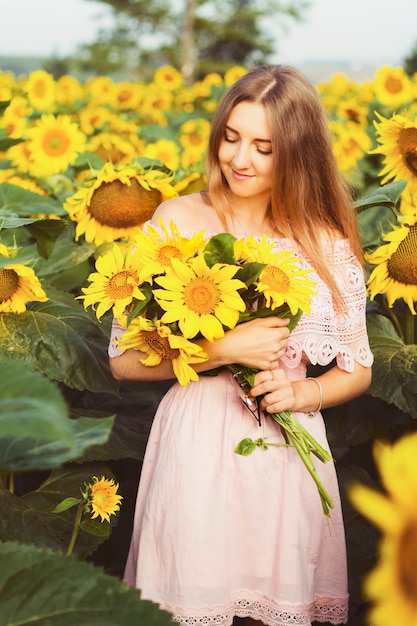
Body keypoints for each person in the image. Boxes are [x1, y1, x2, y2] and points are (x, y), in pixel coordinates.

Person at [109, 64, 373, 626]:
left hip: (285, 449)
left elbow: (358, 368)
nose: (239, 159)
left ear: (298, 155)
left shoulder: (325, 241)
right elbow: (124, 362)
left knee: (274, 607)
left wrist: (301, 393)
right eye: (230, 137)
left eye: (263, 147)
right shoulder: (176, 220)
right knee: (190, 600)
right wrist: (224, 349)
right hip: (196, 441)